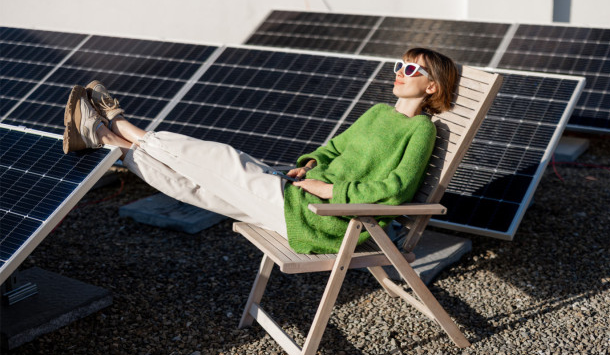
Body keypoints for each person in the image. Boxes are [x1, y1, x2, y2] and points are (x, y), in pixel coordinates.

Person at [62, 48, 457, 254]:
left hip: (328, 220)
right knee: (198, 189)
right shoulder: (377, 113)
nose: (399, 74)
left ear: (432, 87)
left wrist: (332, 193)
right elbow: (335, 148)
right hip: (298, 198)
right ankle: (106, 139)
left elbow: (397, 190)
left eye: (411, 70)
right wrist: (312, 165)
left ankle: (122, 125)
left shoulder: (421, 130)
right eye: (398, 66)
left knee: (223, 160)